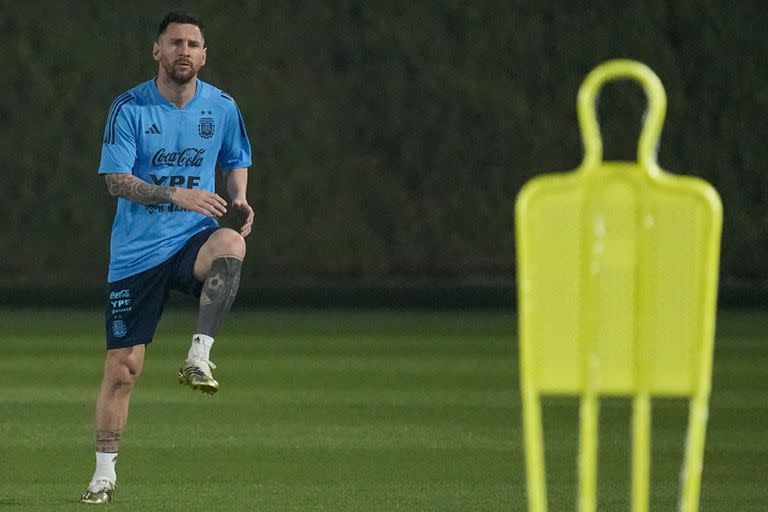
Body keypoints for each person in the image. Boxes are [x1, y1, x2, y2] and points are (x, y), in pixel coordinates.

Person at [80, 10, 253, 504]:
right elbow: (115, 181)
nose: (184, 50)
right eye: (174, 42)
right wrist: (175, 195)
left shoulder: (221, 106)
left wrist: (238, 197)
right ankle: (104, 473)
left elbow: (236, 156)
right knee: (123, 370)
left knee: (231, 243)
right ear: (157, 51)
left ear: (203, 55)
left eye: (192, 43)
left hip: (190, 240)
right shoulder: (130, 107)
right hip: (136, 254)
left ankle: (199, 353)